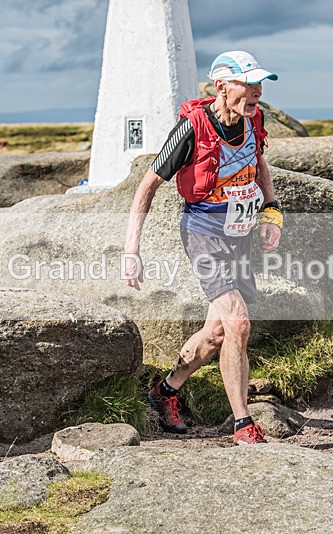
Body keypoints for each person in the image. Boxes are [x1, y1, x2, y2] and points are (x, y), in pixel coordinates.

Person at [123, 51, 283, 445]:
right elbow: (146, 187)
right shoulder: (191, 128)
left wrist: (271, 210)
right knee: (238, 323)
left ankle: (166, 390)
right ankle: (243, 424)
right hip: (204, 233)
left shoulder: (253, 119)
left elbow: (258, 162)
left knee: (216, 333)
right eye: (248, 84)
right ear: (221, 86)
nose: (257, 92)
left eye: (259, 84)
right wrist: (131, 250)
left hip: (239, 234)